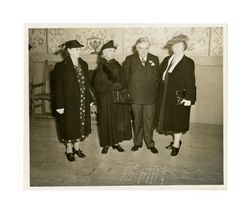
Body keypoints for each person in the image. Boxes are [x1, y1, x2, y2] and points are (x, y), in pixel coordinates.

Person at [156, 34, 196, 156]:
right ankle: (175, 141)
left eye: (179, 46)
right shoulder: (167, 60)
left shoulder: (188, 62)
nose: (177, 48)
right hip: (166, 96)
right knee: (171, 121)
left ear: (184, 47)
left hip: (180, 96)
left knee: (178, 121)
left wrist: (189, 98)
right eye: (175, 46)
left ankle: (176, 144)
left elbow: (190, 81)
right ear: (172, 47)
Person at [53, 40, 92, 162]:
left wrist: (90, 100)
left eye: (79, 49)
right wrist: (59, 105)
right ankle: (69, 150)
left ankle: (77, 148)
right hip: (68, 103)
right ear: (69, 50)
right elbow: (57, 88)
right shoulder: (61, 66)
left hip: (82, 101)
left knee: (81, 124)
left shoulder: (84, 64)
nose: (78, 51)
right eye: (76, 49)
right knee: (69, 126)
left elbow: (87, 85)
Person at [93, 40, 132, 154]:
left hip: (117, 98)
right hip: (105, 99)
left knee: (116, 120)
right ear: (104, 53)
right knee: (105, 121)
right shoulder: (101, 67)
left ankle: (116, 142)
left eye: (113, 51)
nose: (112, 53)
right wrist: (112, 86)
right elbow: (97, 86)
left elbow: (124, 80)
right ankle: (106, 144)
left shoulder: (117, 65)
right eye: (109, 51)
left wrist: (120, 85)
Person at [123, 37, 160, 154]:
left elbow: (157, 78)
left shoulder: (155, 59)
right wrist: (129, 93)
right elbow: (125, 78)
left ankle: (150, 143)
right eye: (141, 48)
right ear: (136, 48)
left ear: (149, 48)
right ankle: (137, 143)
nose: (143, 51)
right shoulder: (129, 59)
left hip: (150, 96)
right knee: (137, 120)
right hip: (136, 96)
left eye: (146, 48)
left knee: (149, 121)